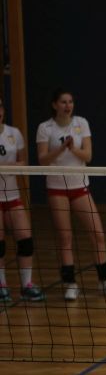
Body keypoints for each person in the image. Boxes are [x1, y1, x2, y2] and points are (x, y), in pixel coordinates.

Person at [35, 88, 106, 301]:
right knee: (65, 237)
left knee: (98, 234)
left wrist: (73, 148)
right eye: (63, 102)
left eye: (70, 102)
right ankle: (70, 284)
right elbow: (42, 160)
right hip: (57, 188)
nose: (68, 105)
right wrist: (61, 149)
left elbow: (88, 155)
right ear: (55, 105)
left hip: (80, 187)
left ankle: (105, 281)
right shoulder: (45, 128)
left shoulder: (81, 123)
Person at [0, 99, 44, 304]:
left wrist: (9, 167)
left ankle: (27, 285)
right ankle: (2, 286)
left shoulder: (14, 133)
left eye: (0, 107)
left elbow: (22, 162)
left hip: (12, 196)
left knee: (25, 239)